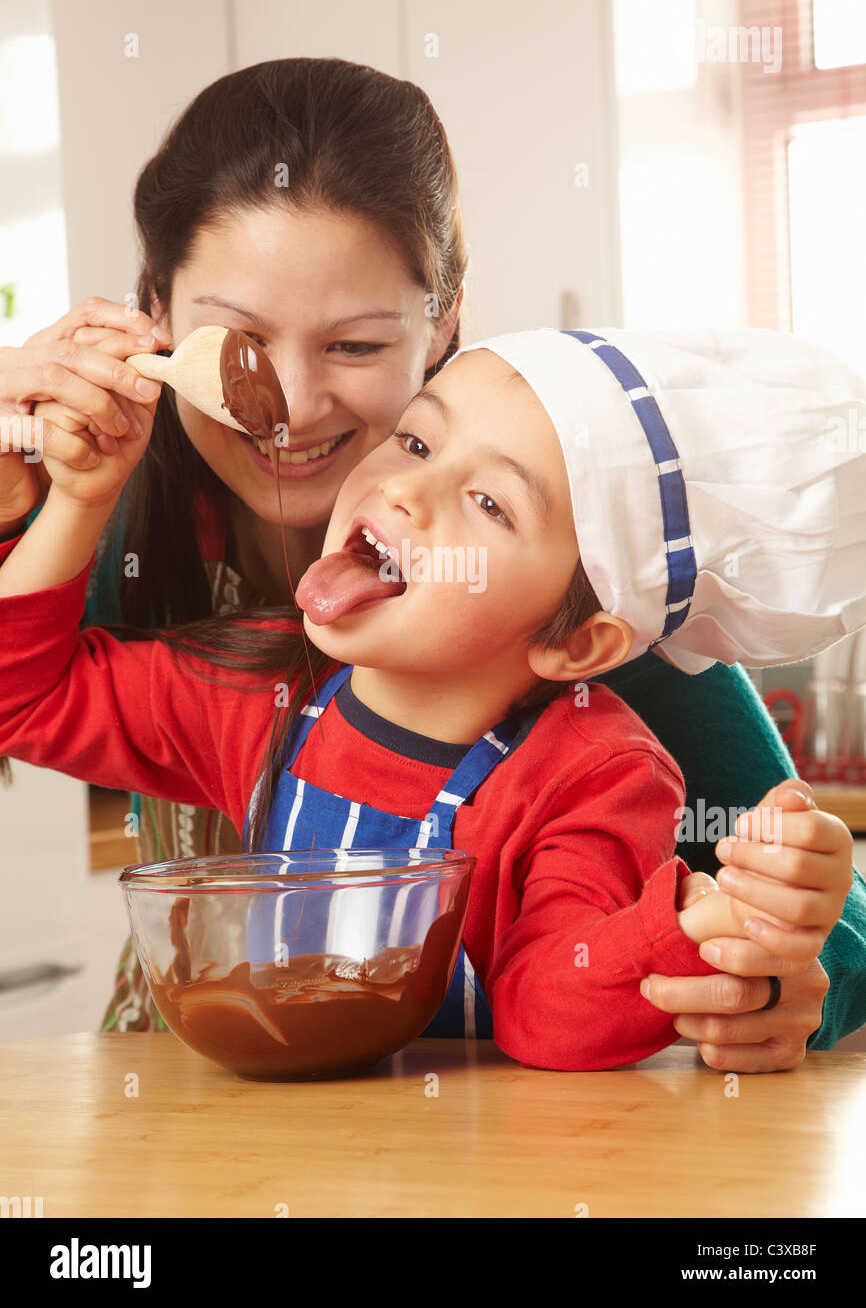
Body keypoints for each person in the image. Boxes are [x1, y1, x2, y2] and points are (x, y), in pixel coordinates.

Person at [0, 58, 862, 1065]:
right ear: (154, 312)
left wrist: (781, 965)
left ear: (443, 320)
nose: (293, 403)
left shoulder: (579, 577)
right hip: (188, 1096)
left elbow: (815, 908)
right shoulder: (103, 526)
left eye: (356, 346)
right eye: (236, 340)